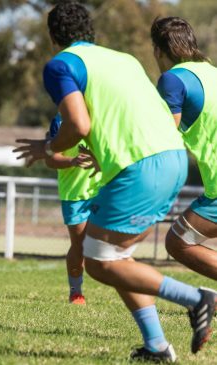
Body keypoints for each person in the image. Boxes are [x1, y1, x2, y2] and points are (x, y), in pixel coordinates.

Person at [14, 3, 216, 362]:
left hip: (142, 166)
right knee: (118, 256)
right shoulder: (124, 59)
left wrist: (47, 147)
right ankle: (156, 345)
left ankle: (196, 299)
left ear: (53, 36)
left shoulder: (60, 64)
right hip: (171, 160)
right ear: (91, 31)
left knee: (99, 262)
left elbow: (78, 125)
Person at [151, 17, 217, 281]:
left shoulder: (172, 80)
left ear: (157, 50)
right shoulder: (212, 71)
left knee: (177, 241)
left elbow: (164, 139)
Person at [44, 113, 101, 305]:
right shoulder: (60, 121)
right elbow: (50, 159)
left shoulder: (104, 116)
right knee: (80, 246)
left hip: (103, 191)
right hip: (74, 195)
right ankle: (76, 292)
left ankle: (126, 284)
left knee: (112, 240)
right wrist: (73, 161)